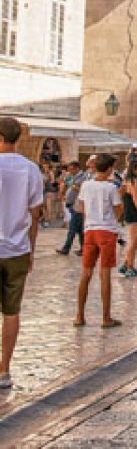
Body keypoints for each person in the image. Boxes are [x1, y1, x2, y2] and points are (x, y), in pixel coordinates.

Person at [0, 117, 45, 389]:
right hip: (18, 248)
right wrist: (32, 249)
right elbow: (35, 213)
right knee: (11, 311)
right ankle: (4, 369)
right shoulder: (31, 169)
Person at [74, 154, 123, 328]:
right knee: (105, 275)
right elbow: (118, 210)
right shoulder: (111, 188)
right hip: (106, 231)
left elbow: (81, 206)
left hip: (90, 230)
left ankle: (79, 316)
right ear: (109, 169)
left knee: (86, 274)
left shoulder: (86, 185)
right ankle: (106, 317)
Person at [120, 162, 137, 278]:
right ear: (134, 169)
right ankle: (130, 267)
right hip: (133, 212)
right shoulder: (132, 181)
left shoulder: (132, 180)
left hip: (133, 212)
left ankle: (126, 264)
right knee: (134, 240)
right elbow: (136, 199)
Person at [57, 160, 86, 256]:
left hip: (77, 206)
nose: (70, 171)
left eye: (71, 169)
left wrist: (72, 186)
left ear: (77, 168)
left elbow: (81, 190)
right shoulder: (73, 177)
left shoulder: (82, 177)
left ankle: (66, 248)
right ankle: (83, 248)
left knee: (72, 228)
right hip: (72, 205)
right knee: (80, 229)